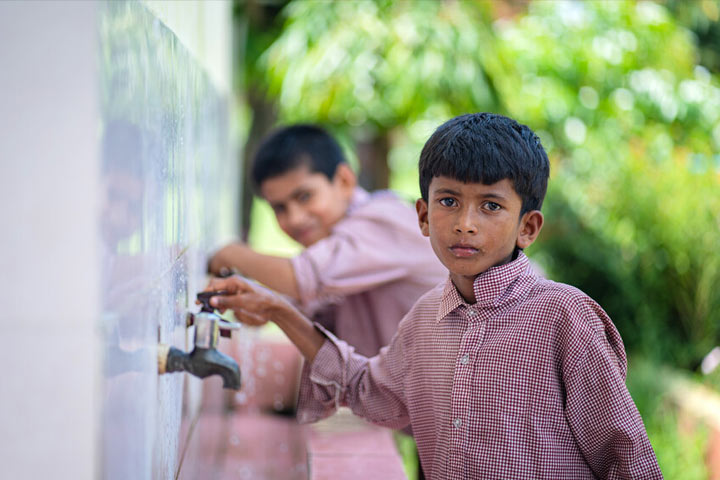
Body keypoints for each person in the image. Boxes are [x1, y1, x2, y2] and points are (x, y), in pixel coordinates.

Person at [204, 113, 662, 479]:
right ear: (423, 217)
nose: (465, 222)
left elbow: (624, 451)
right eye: (448, 202)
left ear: (528, 227)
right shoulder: (426, 318)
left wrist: (226, 254)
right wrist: (276, 310)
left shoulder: (563, 315)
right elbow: (363, 387)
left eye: (491, 206)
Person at [208, 124, 446, 356]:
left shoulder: (385, 218)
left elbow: (300, 278)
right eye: (279, 208)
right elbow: (301, 307)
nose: (295, 218)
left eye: (304, 196)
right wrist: (260, 306)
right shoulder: (340, 252)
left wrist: (229, 254)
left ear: (344, 180)